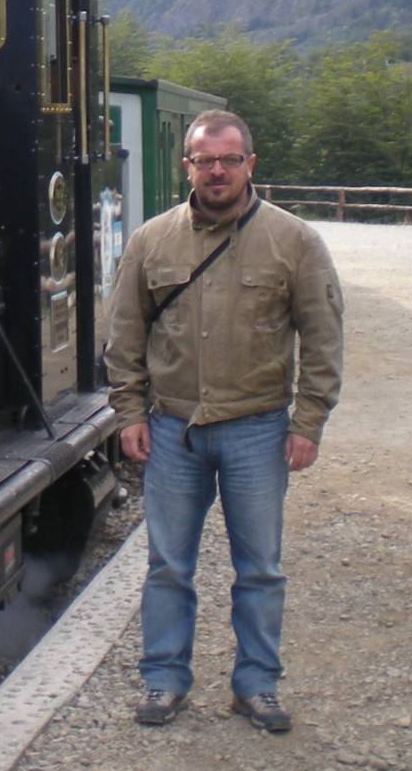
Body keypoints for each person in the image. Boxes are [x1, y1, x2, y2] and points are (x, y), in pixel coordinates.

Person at [106, 109, 345, 733]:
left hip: (257, 430)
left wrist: (308, 421)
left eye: (229, 160)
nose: (216, 171)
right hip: (172, 430)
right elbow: (123, 336)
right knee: (167, 566)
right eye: (204, 160)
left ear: (250, 165)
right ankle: (163, 679)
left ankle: (257, 685)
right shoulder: (151, 241)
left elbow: (323, 338)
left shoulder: (295, 242)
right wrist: (130, 411)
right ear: (187, 165)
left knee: (260, 567)